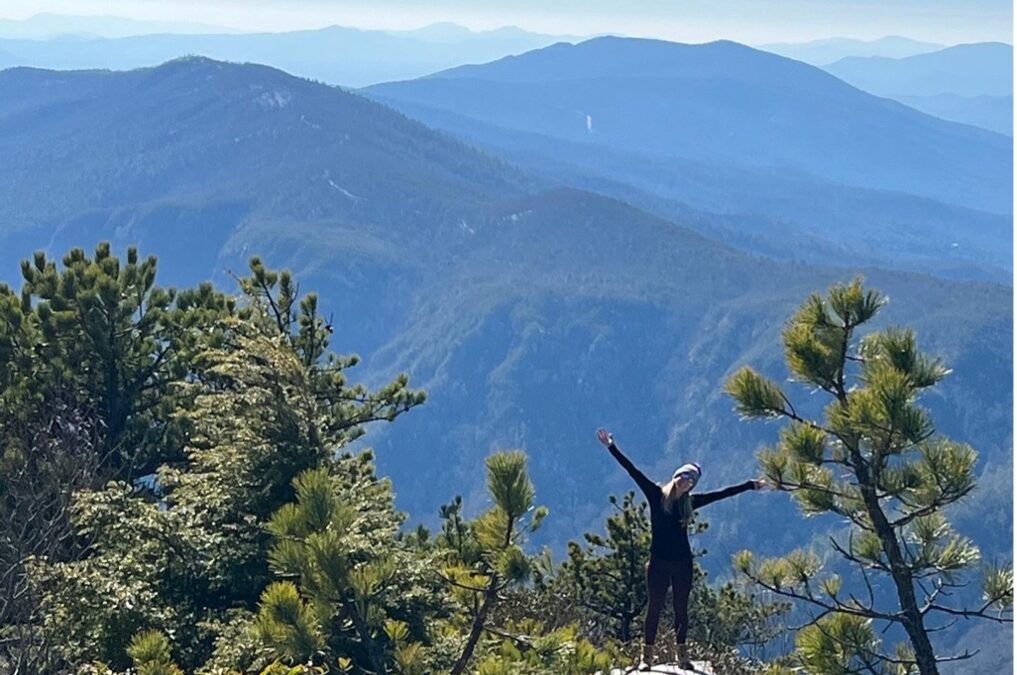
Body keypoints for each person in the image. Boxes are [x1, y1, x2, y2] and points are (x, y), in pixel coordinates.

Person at [595, 428, 766, 671]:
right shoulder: (655, 495)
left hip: (682, 564)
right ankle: (647, 657)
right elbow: (632, 471)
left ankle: (682, 657)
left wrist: (750, 485)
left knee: (681, 611)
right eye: (685, 478)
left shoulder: (690, 503)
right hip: (658, 563)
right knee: (653, 608)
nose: (687, 484)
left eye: (691, 482)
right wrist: (611, 447)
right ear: (677, 476)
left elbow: (722, 494)